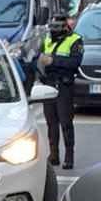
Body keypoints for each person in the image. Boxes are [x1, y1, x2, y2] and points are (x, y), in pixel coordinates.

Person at [36, 11, 83, 170]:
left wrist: (53, 60)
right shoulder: (47, 39)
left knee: (66, 123)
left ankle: (69, 157)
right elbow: (40, 58)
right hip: (48, 84)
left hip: (64, 86)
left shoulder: (75, 40)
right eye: (52, 26)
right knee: (51, 123)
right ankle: (53, 154)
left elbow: (75, 63)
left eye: (58, 26)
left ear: (65, 26)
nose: (54, 30)